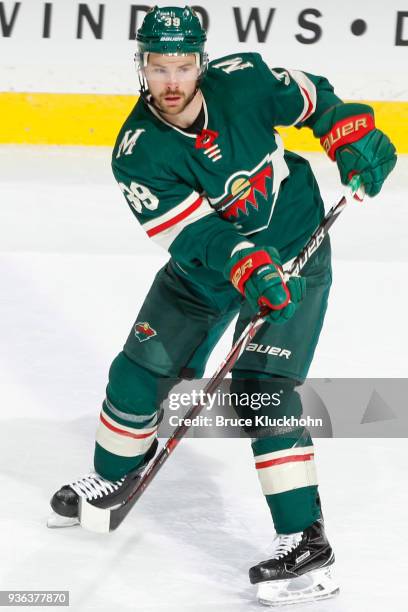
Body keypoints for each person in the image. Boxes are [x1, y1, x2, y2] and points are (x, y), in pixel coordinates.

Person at [48, 5, 396, 605]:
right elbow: (193, 237)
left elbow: (312, 99)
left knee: (262, 390)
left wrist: (349, 129)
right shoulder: (137, 153)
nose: (173, 82)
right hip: (207, 272)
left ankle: (306, 546)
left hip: (292, 254)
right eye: (159, 69)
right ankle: (115, 474)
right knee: (136, 373)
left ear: (202, 63)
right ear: (142, 68)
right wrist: (243, 263)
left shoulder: (245, 79)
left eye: (183, 66)